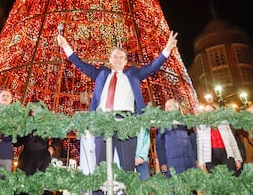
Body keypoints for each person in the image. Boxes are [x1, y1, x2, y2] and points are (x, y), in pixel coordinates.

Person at [57, 30, 178, 172]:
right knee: (101, 168)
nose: (118, 59)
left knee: (127, 168)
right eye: (115, 56)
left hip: (126, 123)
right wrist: (65, 46)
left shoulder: (132, 74)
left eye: (122, 57)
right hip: (103, 122)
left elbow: (152, 67)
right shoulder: (101, 74)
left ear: (126, 61)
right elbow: (81, 65)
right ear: (110, 59)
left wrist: (167, 49)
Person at [196, 103, 243, 174]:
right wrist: (201, 162)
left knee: (232, 175)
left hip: (226, 153)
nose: (209, 112)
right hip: (210, 155)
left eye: (211, 110)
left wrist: (237, 158)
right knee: (216, 179)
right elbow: (200, 144)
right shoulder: (201, 125)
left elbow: (232, 141)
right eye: (207, 111)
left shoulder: (224, 123)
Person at [155, 99, 197, 177]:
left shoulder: (185, 121)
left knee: (190, 184)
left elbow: (193, 140)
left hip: (188, 160)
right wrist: (163, 162)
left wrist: (196, 157)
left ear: (177, 107)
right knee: (176, 185)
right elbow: (159, 145)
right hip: (172, 161)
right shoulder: (162, 124)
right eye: (166, 107)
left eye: (170, 107)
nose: (167, 109)